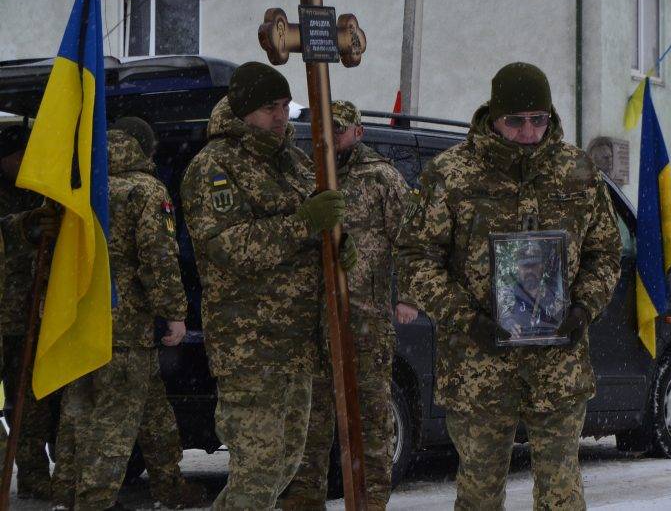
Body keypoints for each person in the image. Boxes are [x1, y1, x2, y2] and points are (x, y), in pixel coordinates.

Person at [397, 62, 622, 510]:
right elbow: (414, 258)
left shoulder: (577, 173)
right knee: (480, 491)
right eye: (515, 121)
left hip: (558, 363)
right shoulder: (453, 174)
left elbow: (605, 252)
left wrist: (584, 307)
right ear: (494, 116)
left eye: (538, 120)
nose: (527, 132)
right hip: (480, 362)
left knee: (562, 492)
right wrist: (467, 319)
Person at [180, 62, 354, 510]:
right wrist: (303, 224)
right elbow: (229, 247)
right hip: (251, 347)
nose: (280, 117)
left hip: (298, 343)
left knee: (284, 465)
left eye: (283, 106)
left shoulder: (293, 160)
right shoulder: (214, 168)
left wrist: (336, 247)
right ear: (241, 111)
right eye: (267, 108)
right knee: (257, 473)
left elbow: (314, 229)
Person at [51, 118, 204, 510]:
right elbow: (158, 259)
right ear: (146, 150)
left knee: (85, 409)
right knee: (114, 421)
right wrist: (173, 312)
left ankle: (74, 492)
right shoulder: (145, 190)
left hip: (79, 319)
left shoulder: (79, 186)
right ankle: (94, 500)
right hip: (127, 326)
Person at [283, 100, 410, 511]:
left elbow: (411, 243)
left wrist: (408, 297)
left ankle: (370, 501)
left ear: (358, 132)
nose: (330, 138)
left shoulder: (382, 180)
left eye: (338, 130)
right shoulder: (308, 175)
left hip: (365, 322)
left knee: (370, 419)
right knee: (310, 420)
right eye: (325, 130)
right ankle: (304, 499)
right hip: (310, 321)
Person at [0, 126, 55, 500]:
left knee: (32, 401)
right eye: (18, 155)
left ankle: (35, 475)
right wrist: (27, 227)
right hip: (5, 315)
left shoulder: (39, 191)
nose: (25, 162)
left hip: (27, 317)